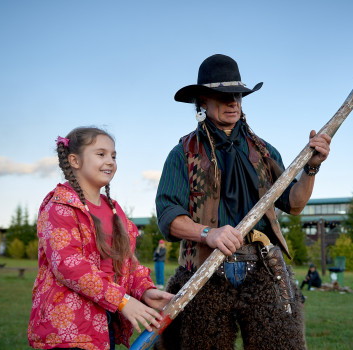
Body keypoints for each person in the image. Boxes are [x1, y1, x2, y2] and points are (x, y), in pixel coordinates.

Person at [155, 54, 331, 350]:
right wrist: (209, 233)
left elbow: (294, 203)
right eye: (222, 96)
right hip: (203, 269)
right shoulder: (183, 153)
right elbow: (168, 216)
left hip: (264, 265)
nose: (233, 102)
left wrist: (311, 167)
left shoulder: (264, 151)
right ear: (202, 101)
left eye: (237, 94)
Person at [28, 127, 173, 350]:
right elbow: (69, 266)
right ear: (74, 160)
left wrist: (144, 290)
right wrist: (122, 300)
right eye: (101, 154)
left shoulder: (114, 210)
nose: (110, 161)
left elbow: (126, 263)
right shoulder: (60, 207)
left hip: (107, 321)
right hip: (70, 328)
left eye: (114, 156)